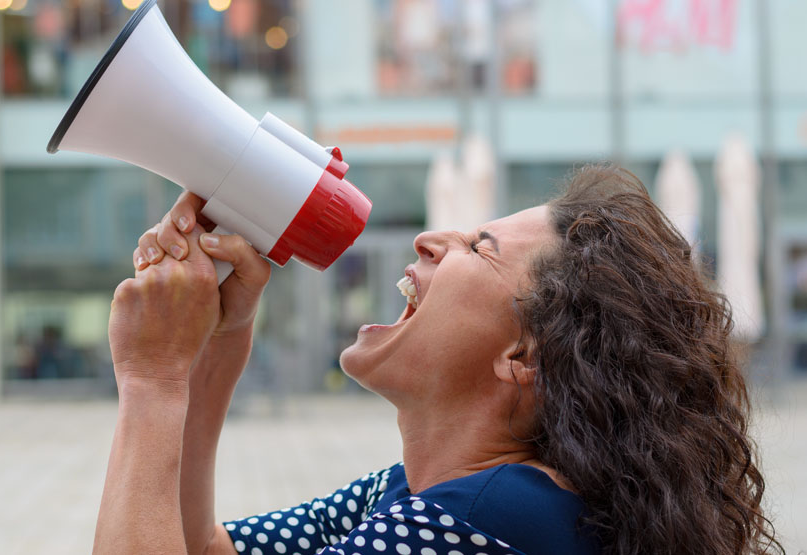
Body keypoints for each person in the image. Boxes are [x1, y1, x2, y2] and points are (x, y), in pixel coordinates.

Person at [94, 164, 783, 555]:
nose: (429, 238)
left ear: (524, 353)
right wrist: (218, 345)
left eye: (480, 248)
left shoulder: (495, 515)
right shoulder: (424, 493)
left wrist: (152, 379)